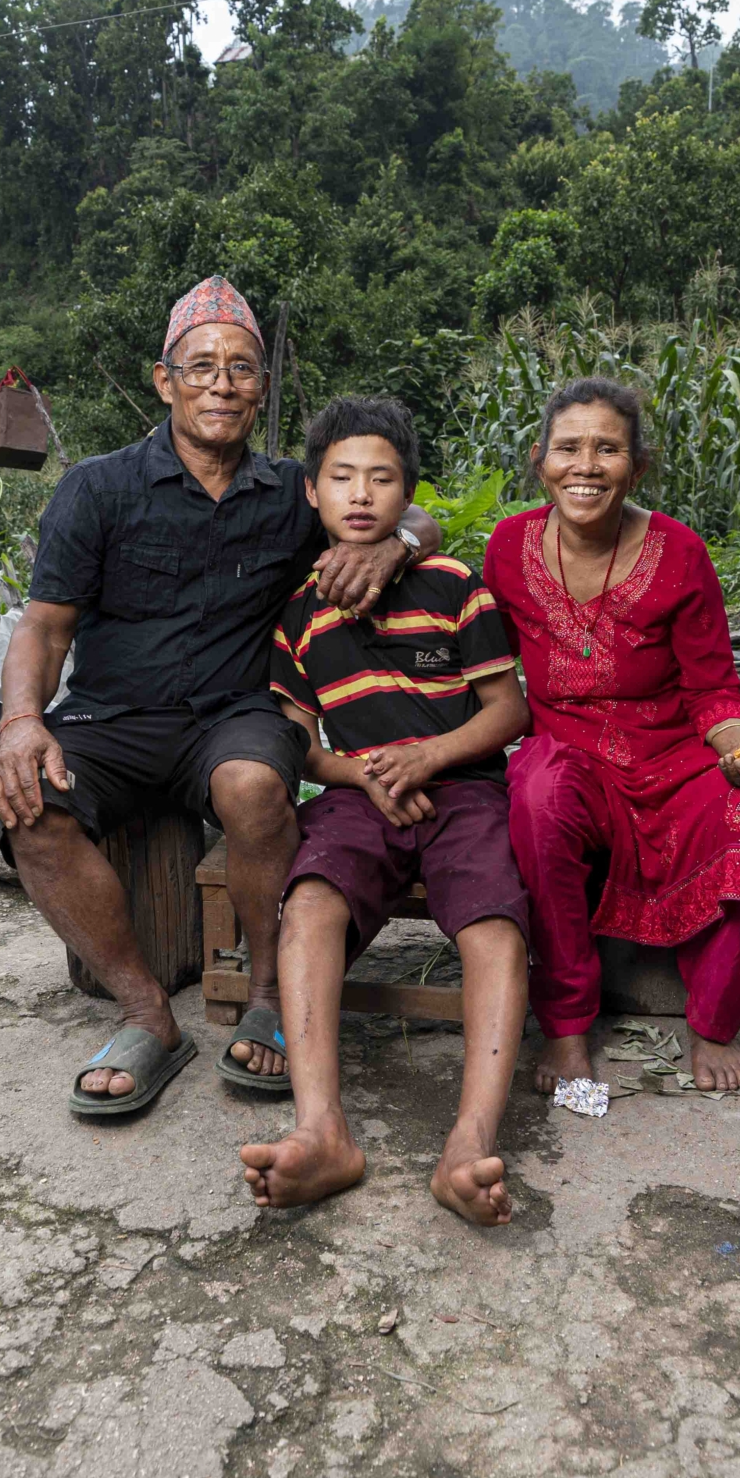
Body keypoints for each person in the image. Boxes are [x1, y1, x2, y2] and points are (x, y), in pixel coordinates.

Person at [0, 277, 445, 1118]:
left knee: (257, 785)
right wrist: (20, 724)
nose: (221, 384)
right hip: (110, 718)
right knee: (27, 805)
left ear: (262, 389)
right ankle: (146, 1013)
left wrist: (394, 549)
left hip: (235, 716)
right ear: (165, 381)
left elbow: (414, 519)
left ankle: (267, 994)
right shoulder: (98, 487)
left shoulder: (291, 493)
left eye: (241, 369)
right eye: (201, 367)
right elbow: (43, 628)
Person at [236, 397, 532, 1225]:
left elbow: (508, 712)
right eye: (342, 477)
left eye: (382, 478)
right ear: (311, 493)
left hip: (463, 786)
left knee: (494, 923)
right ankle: (321, 1127)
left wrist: (429, 755)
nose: (361, 494)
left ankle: (469, 1140)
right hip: (357, 794)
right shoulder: (299, 611)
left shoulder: (453, 586)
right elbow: (297, 740)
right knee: (312, 902)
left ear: (409, 497)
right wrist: (364, 775)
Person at [482, 377, 740, 1094]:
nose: (586, 465)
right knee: (535, 795)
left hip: (671, 756)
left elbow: (713, 687)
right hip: (568, 756)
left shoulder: (681, 552)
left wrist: (738, 748)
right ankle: (567, 1027)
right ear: (540, 461)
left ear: (638, 465)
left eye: (608, 449)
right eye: (569, 448)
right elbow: (479, 659)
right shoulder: (508, 548)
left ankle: (712, 1021)